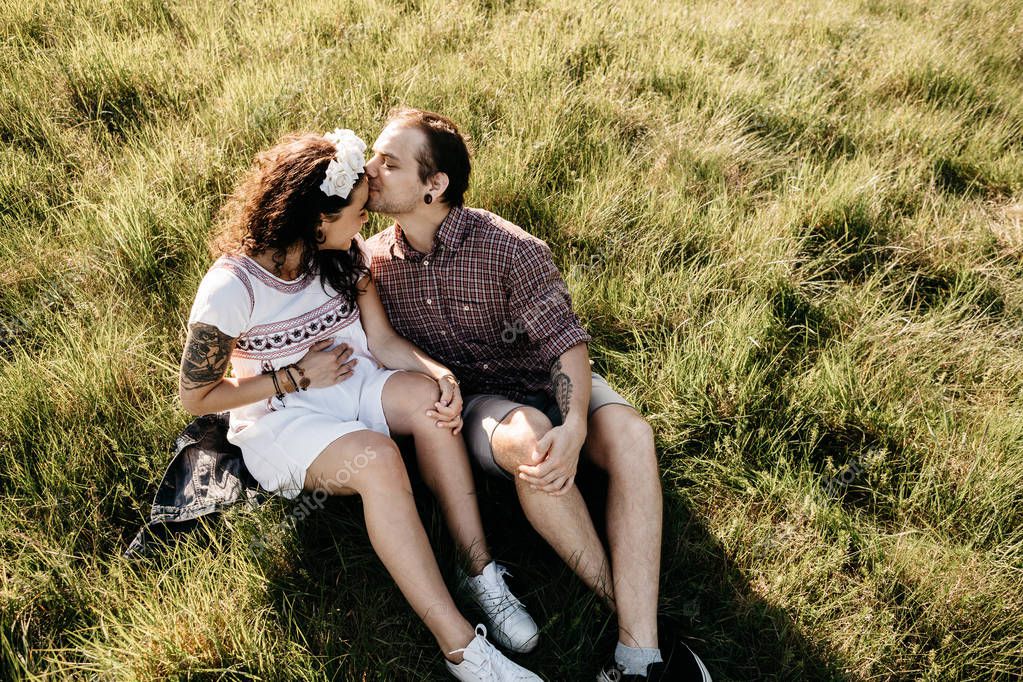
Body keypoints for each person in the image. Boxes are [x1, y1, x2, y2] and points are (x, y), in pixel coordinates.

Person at [177, 129, 542, 681]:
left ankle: (478, 568)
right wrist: (294, 376)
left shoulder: (341, 254)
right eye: (354, 215)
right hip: (283, 416)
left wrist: (435, 372)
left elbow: (383, 342)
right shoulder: (232, 287)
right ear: (313, 220)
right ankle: (462, 648)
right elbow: (195, 396)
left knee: (429, 404)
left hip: (355, 382)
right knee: (376, 459)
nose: (365, 222)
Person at [364, 109, 713, 682]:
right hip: (484, 408)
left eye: (389, 161)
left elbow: (565, 343)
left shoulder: (508, 247)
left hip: (549, 383)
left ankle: (639, 655)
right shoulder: (374, 261)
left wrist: (575, 423)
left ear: (434, 185)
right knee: (534, 445)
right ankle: (632, 623)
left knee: (631, 434)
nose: (372, 170)